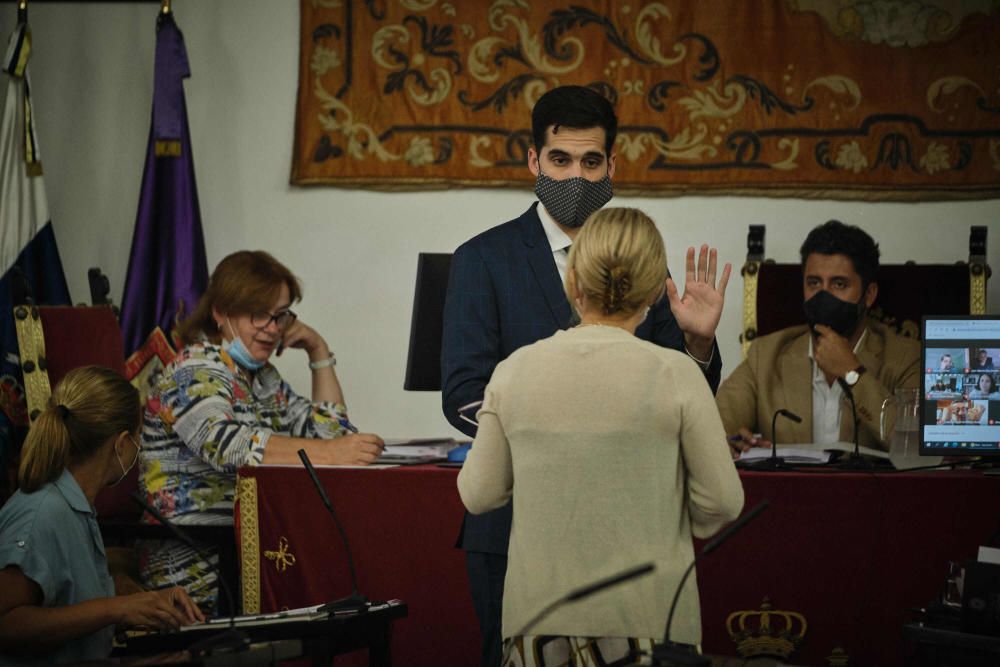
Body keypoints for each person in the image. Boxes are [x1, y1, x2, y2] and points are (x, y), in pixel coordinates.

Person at [441, 85, 731, 666]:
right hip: (518, 532)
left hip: (631, 533)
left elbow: (682, 383)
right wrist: (556, 440)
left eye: (591, 161)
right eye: (561, 160)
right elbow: (465, 394)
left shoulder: (643, 260)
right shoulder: (484, 258)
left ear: (612, 165)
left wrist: (699, 340)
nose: (576, 175)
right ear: (534, 161)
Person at [138, 250, 384, 611]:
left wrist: (319, 350)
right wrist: (331, 454)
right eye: (260, 314)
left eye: (281, 315)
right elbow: (227, 446)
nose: (273, 328)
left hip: (252, 551)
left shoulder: (263, 378)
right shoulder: (195, 368)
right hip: (196, 568)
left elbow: (334, 434)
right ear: (220, 312)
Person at [0, 366, 202, 666]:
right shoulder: (41, 513)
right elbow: (6, 623)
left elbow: (73, 628)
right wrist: (116, 609)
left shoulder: (76, 508)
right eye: (138, 437)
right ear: (121, 444)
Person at [717, 220, 920, 454]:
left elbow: (913, 447)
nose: (824, 295)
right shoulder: (766, 355)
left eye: (839, 284)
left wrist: (852, 373)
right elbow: (712, 429)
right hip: (790, 492)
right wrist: (730, 442)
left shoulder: (905, 357)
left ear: (869, 294)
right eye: (814, 283)